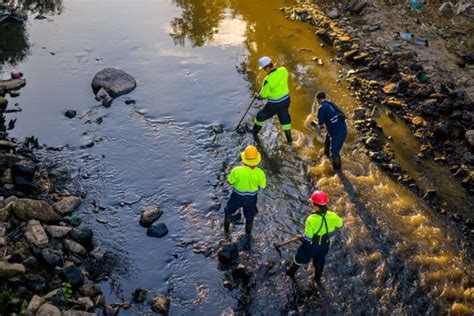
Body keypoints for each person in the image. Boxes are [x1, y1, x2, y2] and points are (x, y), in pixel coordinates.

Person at [286, 190, 343, 288]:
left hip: (311, 246)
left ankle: (289, 275)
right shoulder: (333, 215)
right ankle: (317, 279)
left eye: (312, 203)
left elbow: (307, 238)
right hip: (324, 245)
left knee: (299, 259)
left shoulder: (311, 219)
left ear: (316, 206)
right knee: (320, 261)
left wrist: (301, 237)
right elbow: (340, 224)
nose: (311, 204)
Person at [224, 145, 266, 237]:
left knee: (228, 212)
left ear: (244, 159)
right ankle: (247, 235)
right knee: (249, 217)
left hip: (236, 196)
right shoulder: (260, 173)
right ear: (256, 161)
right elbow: (263, 186)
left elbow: (230, 182)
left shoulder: (236, 170)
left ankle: (226, 233)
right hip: (251, 198)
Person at [251, 56, 293, 144]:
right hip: (286, 100)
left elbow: (264, 95)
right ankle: (290, 140)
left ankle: (254, 133)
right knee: (284, 118)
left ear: (267, 68)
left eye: (263, 69)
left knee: (260, 116)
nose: (263, 70)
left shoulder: (267, 80)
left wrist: (257, 96)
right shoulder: (283, 70)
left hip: (275, 104)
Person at [315, 92, 347, 170]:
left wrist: (318, 126)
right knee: (328, 139)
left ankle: (338, 171)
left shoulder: (321, 108)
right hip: (343, 129)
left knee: (334, 153)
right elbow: (342, 115)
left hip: (336, 133)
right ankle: (326, 154)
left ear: (318, 100)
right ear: (325, 98)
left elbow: (322, 125)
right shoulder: (331, 104)